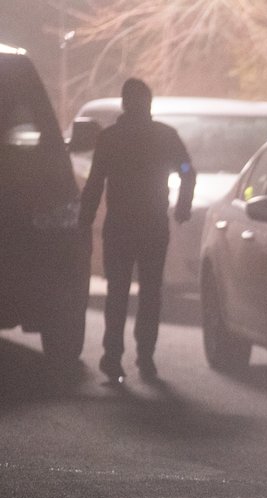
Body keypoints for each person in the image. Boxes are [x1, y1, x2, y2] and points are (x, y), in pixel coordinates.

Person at [79, 78, 196, 383]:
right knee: (150, 293)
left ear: (124, 104)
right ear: (149, 103)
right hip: (154, 224)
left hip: (119, 225)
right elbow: (186, 170)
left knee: (117, 292)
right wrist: (183, 205)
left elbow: (94, 183)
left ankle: (112, 356)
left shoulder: (110, 139)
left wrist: (84, 221)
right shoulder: (166, 136)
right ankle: (145, 356)